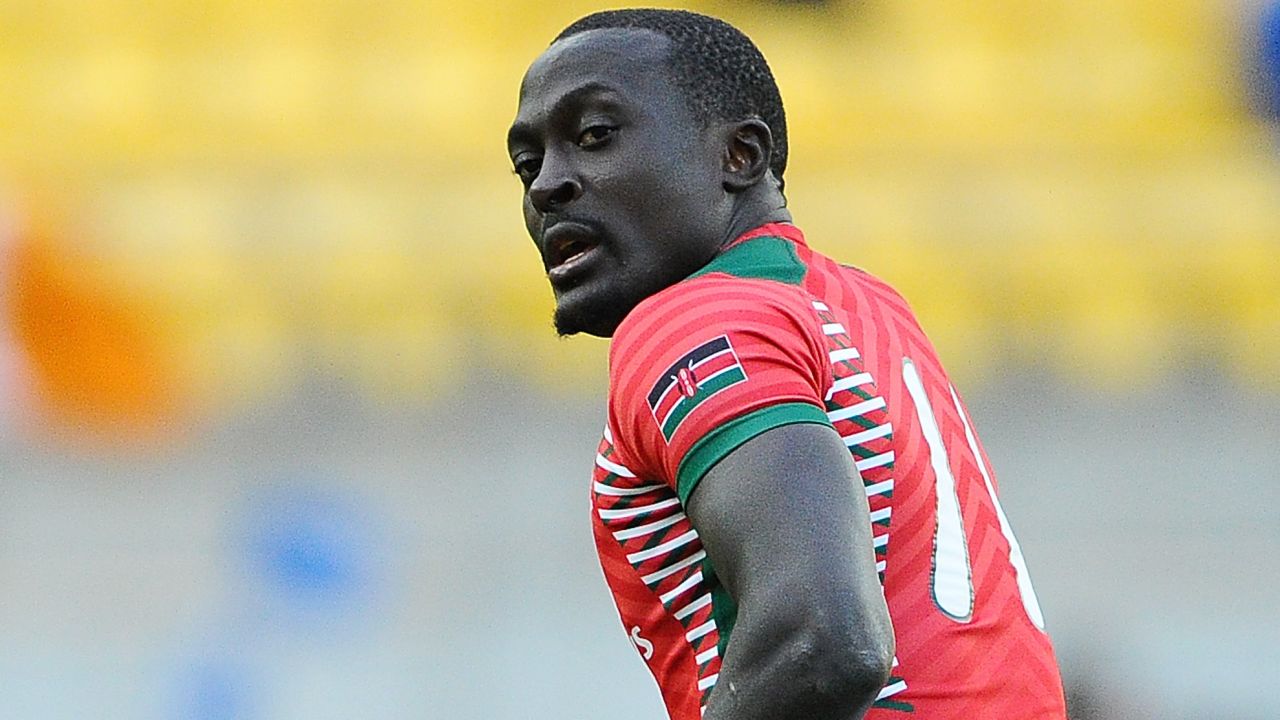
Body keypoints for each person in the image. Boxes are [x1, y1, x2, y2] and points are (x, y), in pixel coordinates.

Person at [506, 9, 1067, 719]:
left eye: (593, 137)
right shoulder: (863, 306)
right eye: (528, 165)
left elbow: (822, 639)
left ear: (739, 155)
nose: (546, 185)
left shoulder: (693, 317)